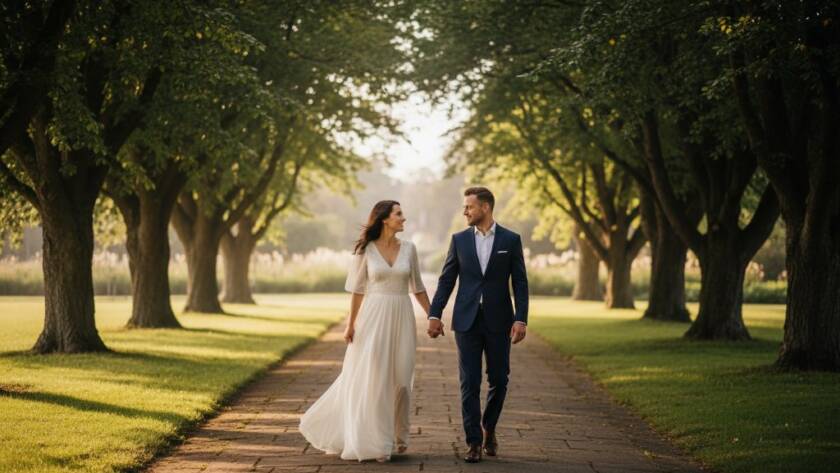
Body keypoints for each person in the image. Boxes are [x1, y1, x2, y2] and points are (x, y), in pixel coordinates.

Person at [299, 200, 431, 462]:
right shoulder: (366, 250)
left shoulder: (409, 248)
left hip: (402, 316)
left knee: (402, 379)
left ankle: (400, 435)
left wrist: (433, 316)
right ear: (384, 219)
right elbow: (358, 290)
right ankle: (379, 442)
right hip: (373, 318)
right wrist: (351, 324)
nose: (403, 218)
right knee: (376, 379)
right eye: (399, 214)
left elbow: (417, 286)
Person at [427, 186, 529, 463]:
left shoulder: (511, 239)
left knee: (499, 379)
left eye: (469, 207)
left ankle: (488, 428)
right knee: (469, 382)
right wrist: (435, 314)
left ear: (485, 207)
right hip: (466, 320)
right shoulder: (459, 240)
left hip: (499, 320)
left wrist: (520, 318)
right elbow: (447, 280)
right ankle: (473, 442)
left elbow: (520, 282)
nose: (465, 211)